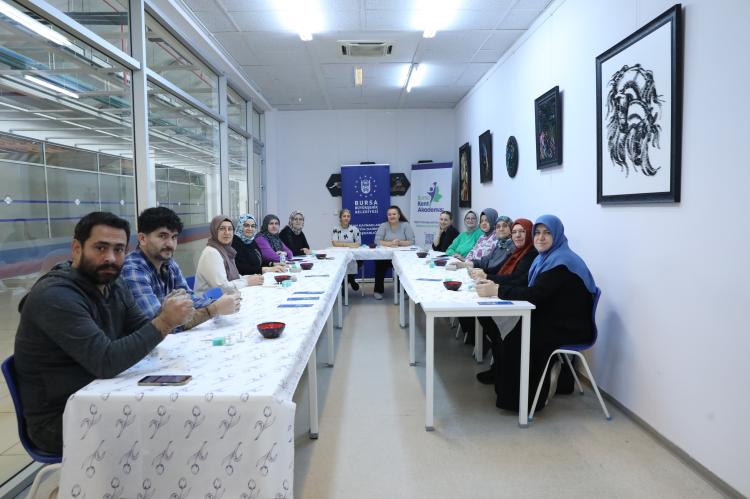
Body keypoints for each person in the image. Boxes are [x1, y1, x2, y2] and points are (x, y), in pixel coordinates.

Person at [13, 212, 195, 454]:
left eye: (118, 250)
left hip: (105, 394)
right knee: (175, 425)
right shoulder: (55, 295)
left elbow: (141, 328)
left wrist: (163, 321)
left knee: (186, 411)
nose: (110, 258)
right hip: (62, 418)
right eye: (100, 248)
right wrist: (164, 322)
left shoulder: (114, 284)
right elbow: (106, 361)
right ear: (77, 248)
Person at [475, 215, 597, 413]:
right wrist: (495, 285)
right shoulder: (545, 258)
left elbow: (535, 294)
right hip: (553, 316)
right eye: (537, 233)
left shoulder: (562, 262)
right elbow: (524, 282)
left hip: (570, 325)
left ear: (557, 235)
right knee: (509, 327)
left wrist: (497, 291)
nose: (540, 237)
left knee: (516, 334)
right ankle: (511, 389)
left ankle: (524, 400)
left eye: (547, 233)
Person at [123, 207, 241, 332]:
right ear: (142, 239)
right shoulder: (133, 270)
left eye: (174, 237)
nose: (170, 244)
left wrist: (221, 303)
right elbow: (160, 326)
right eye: (162, 236)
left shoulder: (168, 263)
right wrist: (214, 309)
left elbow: (190, 300)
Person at [458, 218, 536, 359]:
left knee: (486, 315)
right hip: (507, 290)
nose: (517, 235)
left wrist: (488, 277)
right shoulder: (516, 251)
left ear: (530, 233)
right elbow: (498, 268)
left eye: (522, 231)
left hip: (518, 300)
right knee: (482, 314)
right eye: (514, 232)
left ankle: (498, 358)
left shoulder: (530, 253)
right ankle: (496, 357)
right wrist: (482, 273)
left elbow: (518, 278)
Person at [194, 216, 264, 296]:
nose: (227, 232)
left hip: (226, 297)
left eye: (230, 229)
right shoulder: (212, 253)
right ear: (214, 231)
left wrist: (253, 277)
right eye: (222, 228)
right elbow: (222, 287)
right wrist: (247, 282)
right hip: (210, 300)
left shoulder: (226, 250)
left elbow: (235, 277)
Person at [372, 205, 415, 300]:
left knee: (403, 268)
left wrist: (400, 243)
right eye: (389, 214)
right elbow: (377, 241)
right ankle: (378, 290)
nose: (392, 216)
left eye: (394, 214)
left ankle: (404, 291)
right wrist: (391, 243)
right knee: (379, 265)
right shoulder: (383, 226)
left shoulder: (405, 225)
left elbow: (412, 241)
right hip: (385, 257)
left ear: (399, 215)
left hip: (402, 256)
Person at [331, 208, 361, 291]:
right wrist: (350, 244)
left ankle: (346, 283)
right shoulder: (335, 229)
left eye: (348, 216)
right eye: (344, 216)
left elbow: (358, 244)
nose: (346, 218)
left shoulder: (355, 229)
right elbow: (335, 243)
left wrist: (342, 244)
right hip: (339, 254)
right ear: (340, 218)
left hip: (353, 255)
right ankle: (352, 281)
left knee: (359, 261)